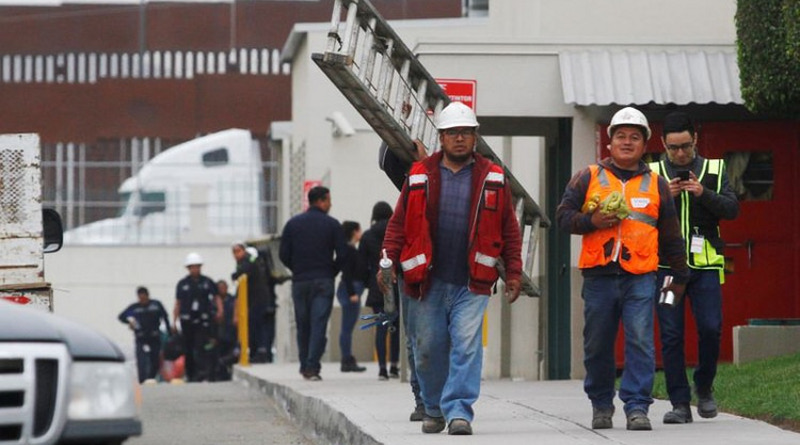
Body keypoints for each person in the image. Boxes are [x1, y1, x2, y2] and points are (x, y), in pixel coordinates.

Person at [380, 102, 523, 436]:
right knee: (428, 348)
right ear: (441, 138)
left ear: (475, 137)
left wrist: (513, 272)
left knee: (467, 346)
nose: (460, 139)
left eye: (466, 133)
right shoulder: (419, 175)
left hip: (471, 282)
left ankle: (459, 411)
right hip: (425, 282)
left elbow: (509, 230)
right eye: (453, 133)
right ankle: (433, 407)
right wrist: (386, 262)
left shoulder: (493, 178)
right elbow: (398, 225)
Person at [556, 106, 690, 431]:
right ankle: (601, 404)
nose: (627, 142)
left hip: (641, 276)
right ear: (609, 141)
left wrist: (680, 274)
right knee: (597, 344)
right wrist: (592, 221)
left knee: (641, 340)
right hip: (599, 276)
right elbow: (562, 217)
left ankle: (637, 407)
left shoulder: (656, 184)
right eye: (620, 136)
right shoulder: (587, 176)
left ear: (645, 145)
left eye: (634, 137)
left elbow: (671, 234)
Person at [650, 111, 739, 424]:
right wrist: (664, 197)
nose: (679, 154)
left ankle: (704, 386)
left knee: (711, 328)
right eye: (673, 147)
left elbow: (732, 209)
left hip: (705, 269)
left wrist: (705, 194)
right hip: (668, 269)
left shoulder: (715, 168)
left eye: (685, 146)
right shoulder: (653, 173)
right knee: (671, 334)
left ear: (696, 139)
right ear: (663, 143)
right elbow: (641, 217)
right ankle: (679, 403)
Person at [279, 185, 348, 381]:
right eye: (328, 200)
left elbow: (283, 254)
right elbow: (343, 254)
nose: (330, 204)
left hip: (300, 281)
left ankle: (304, 364)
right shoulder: (332, 225)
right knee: (319, 323)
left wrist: (297, 269)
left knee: (303, 324)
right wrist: (331, 272)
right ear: (321, 201)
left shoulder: (292, 224)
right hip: (323, 280)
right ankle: (312, 366)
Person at [361, 202, 401, 381]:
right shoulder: (395, 232)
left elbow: (361, 264)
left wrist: (366, 283)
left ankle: (382, 369)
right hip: (396, 283)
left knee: (381, 328)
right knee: (396, 327)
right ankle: (394, 365)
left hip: (377, 286)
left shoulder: (368, 236)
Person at [173, 252, 218, 382]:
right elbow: (178, 303)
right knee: (188, 348)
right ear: (188, 268)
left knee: (201, 347)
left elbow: (216, 298)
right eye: (192, 267)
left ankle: (202, 373)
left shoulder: (207, 282)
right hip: (187, 321)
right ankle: (190, 374)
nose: (195, 269)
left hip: (203, 321)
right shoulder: (182, 284)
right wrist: (175, 321)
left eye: (197, 266)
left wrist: (219, 311)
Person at [232, 242, 277, 364]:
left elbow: (242, 272)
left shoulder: (249, 260)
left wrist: (235, 275)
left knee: (257, 326)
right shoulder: (246, 262)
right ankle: (255, 351)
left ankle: (260, 352)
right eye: (234, 252)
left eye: (238, 251)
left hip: (258, 300)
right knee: (254, 326)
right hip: (253, 300)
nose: (236, 255)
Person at [118, 286, 171, 383]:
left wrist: (169, 331)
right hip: (141, 337)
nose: (142, 300)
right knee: (141, 359)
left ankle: (151, 377)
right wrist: (130, 322)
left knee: (155, 359)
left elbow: (165, 317)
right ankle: (142, 380)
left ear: (147, 296)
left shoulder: (156, 305)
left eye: (144, 297)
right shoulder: (135, 307)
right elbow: (121, 316)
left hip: (154, 336)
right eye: (140, 298)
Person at [337, 221, 368, 373]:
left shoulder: (350, 250)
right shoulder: (349, 251)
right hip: (350, 290)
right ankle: (346, 359)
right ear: (355, 232)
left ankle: (347, 358)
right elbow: (347, 273)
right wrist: (351, 293)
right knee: (347, 327)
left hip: (352, 289)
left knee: (347, 327)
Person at [214, 279, 239, 380]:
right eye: (220, 288)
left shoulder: (233, 300)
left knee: (232, 355)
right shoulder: (214, 301)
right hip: (218, 334)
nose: (222, 290)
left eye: (224, 287)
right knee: (219, 357)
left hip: (232, 332)